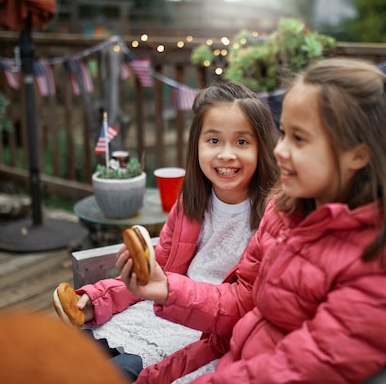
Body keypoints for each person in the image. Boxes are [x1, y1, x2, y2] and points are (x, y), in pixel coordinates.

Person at [119, 58, 386, 384]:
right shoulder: (284, 214)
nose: (279, 150)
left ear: (359, 153)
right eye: (283, 134)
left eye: (300, 139)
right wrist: (168, 289)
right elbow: (242, 302)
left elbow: (296, 369)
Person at [57, 81, 279, 381]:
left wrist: (167, 292)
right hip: (157, 311)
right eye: (213, 141)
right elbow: (158, 267)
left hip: (208, 333)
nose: (226, 155)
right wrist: (97, 299)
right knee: (64, 354)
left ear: (262, 146)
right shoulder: (191, 201)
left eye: (242, 142)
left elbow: (244, 303)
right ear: (196, 144)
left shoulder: (273, 216)